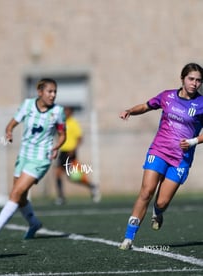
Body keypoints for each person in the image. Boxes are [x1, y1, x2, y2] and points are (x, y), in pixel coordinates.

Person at [119, 63, 203, 250]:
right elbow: (146, 106)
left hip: (181, 158)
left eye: (198, 80)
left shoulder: (201, 104)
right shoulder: (167, 96)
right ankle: (128, 238)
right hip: (159, 150)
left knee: (162, 201)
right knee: (147, 191)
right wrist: (130, 111)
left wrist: (192, 142)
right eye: (191, 79)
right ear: (182, 79)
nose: (195, 83)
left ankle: (158, 212)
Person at [0, 78, 66, 241]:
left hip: (41, 158)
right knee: (19, 196)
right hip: (24, 155)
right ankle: (34, 223)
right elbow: (12, 124)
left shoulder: (58, 111)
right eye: (50, 91)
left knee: (16, 192)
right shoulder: (28, 105)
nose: (53, 95)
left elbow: (63, 135)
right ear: (40, 92)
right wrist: (8, 131)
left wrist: (56, 146)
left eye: (55, 92)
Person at [54, 106, 101, 205]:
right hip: (62, 152)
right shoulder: (61, 123)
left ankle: (91, 186)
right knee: (58, 173)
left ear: (71, 112)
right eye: (64, 111)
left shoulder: (74, 123)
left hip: (70, 152)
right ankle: (61, 197)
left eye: (67, 111)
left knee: (73, 177)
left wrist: (74, 149)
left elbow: (80, 138)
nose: (65, 112)